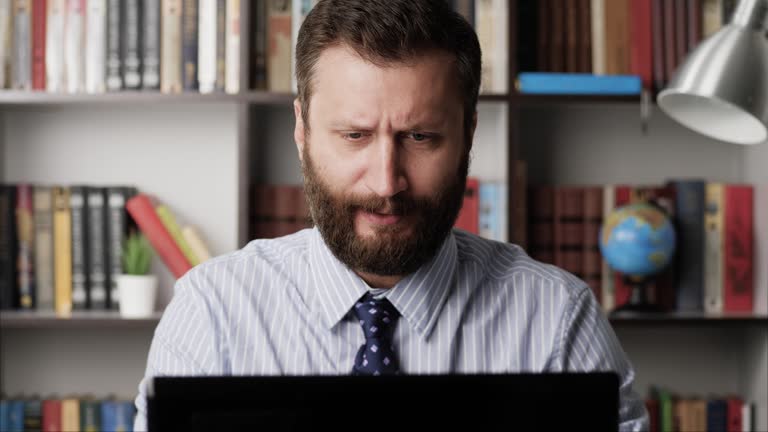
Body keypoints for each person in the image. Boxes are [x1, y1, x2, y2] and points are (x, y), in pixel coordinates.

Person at [133, 0, 648, 430]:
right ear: (303, 130)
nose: (386, 182)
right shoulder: (212, 314)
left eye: (419, 137)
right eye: (355, 136)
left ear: (468, 134)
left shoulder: (558, 322)